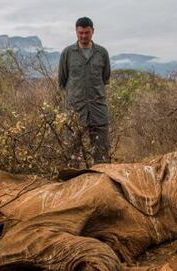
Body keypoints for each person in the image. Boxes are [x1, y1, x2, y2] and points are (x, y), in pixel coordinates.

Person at [58, 16, 111, 164]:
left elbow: (105, 78)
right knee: (72, 155)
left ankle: (102, 184)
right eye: (80, 33)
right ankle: (72, 184)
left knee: (102, 154)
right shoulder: (67, 53)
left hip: (98, 109)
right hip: (75, 109)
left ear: (93, 31)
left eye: (87, 33)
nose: (83, 36)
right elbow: (62, 81)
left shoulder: (102, 53)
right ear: (76, 31)